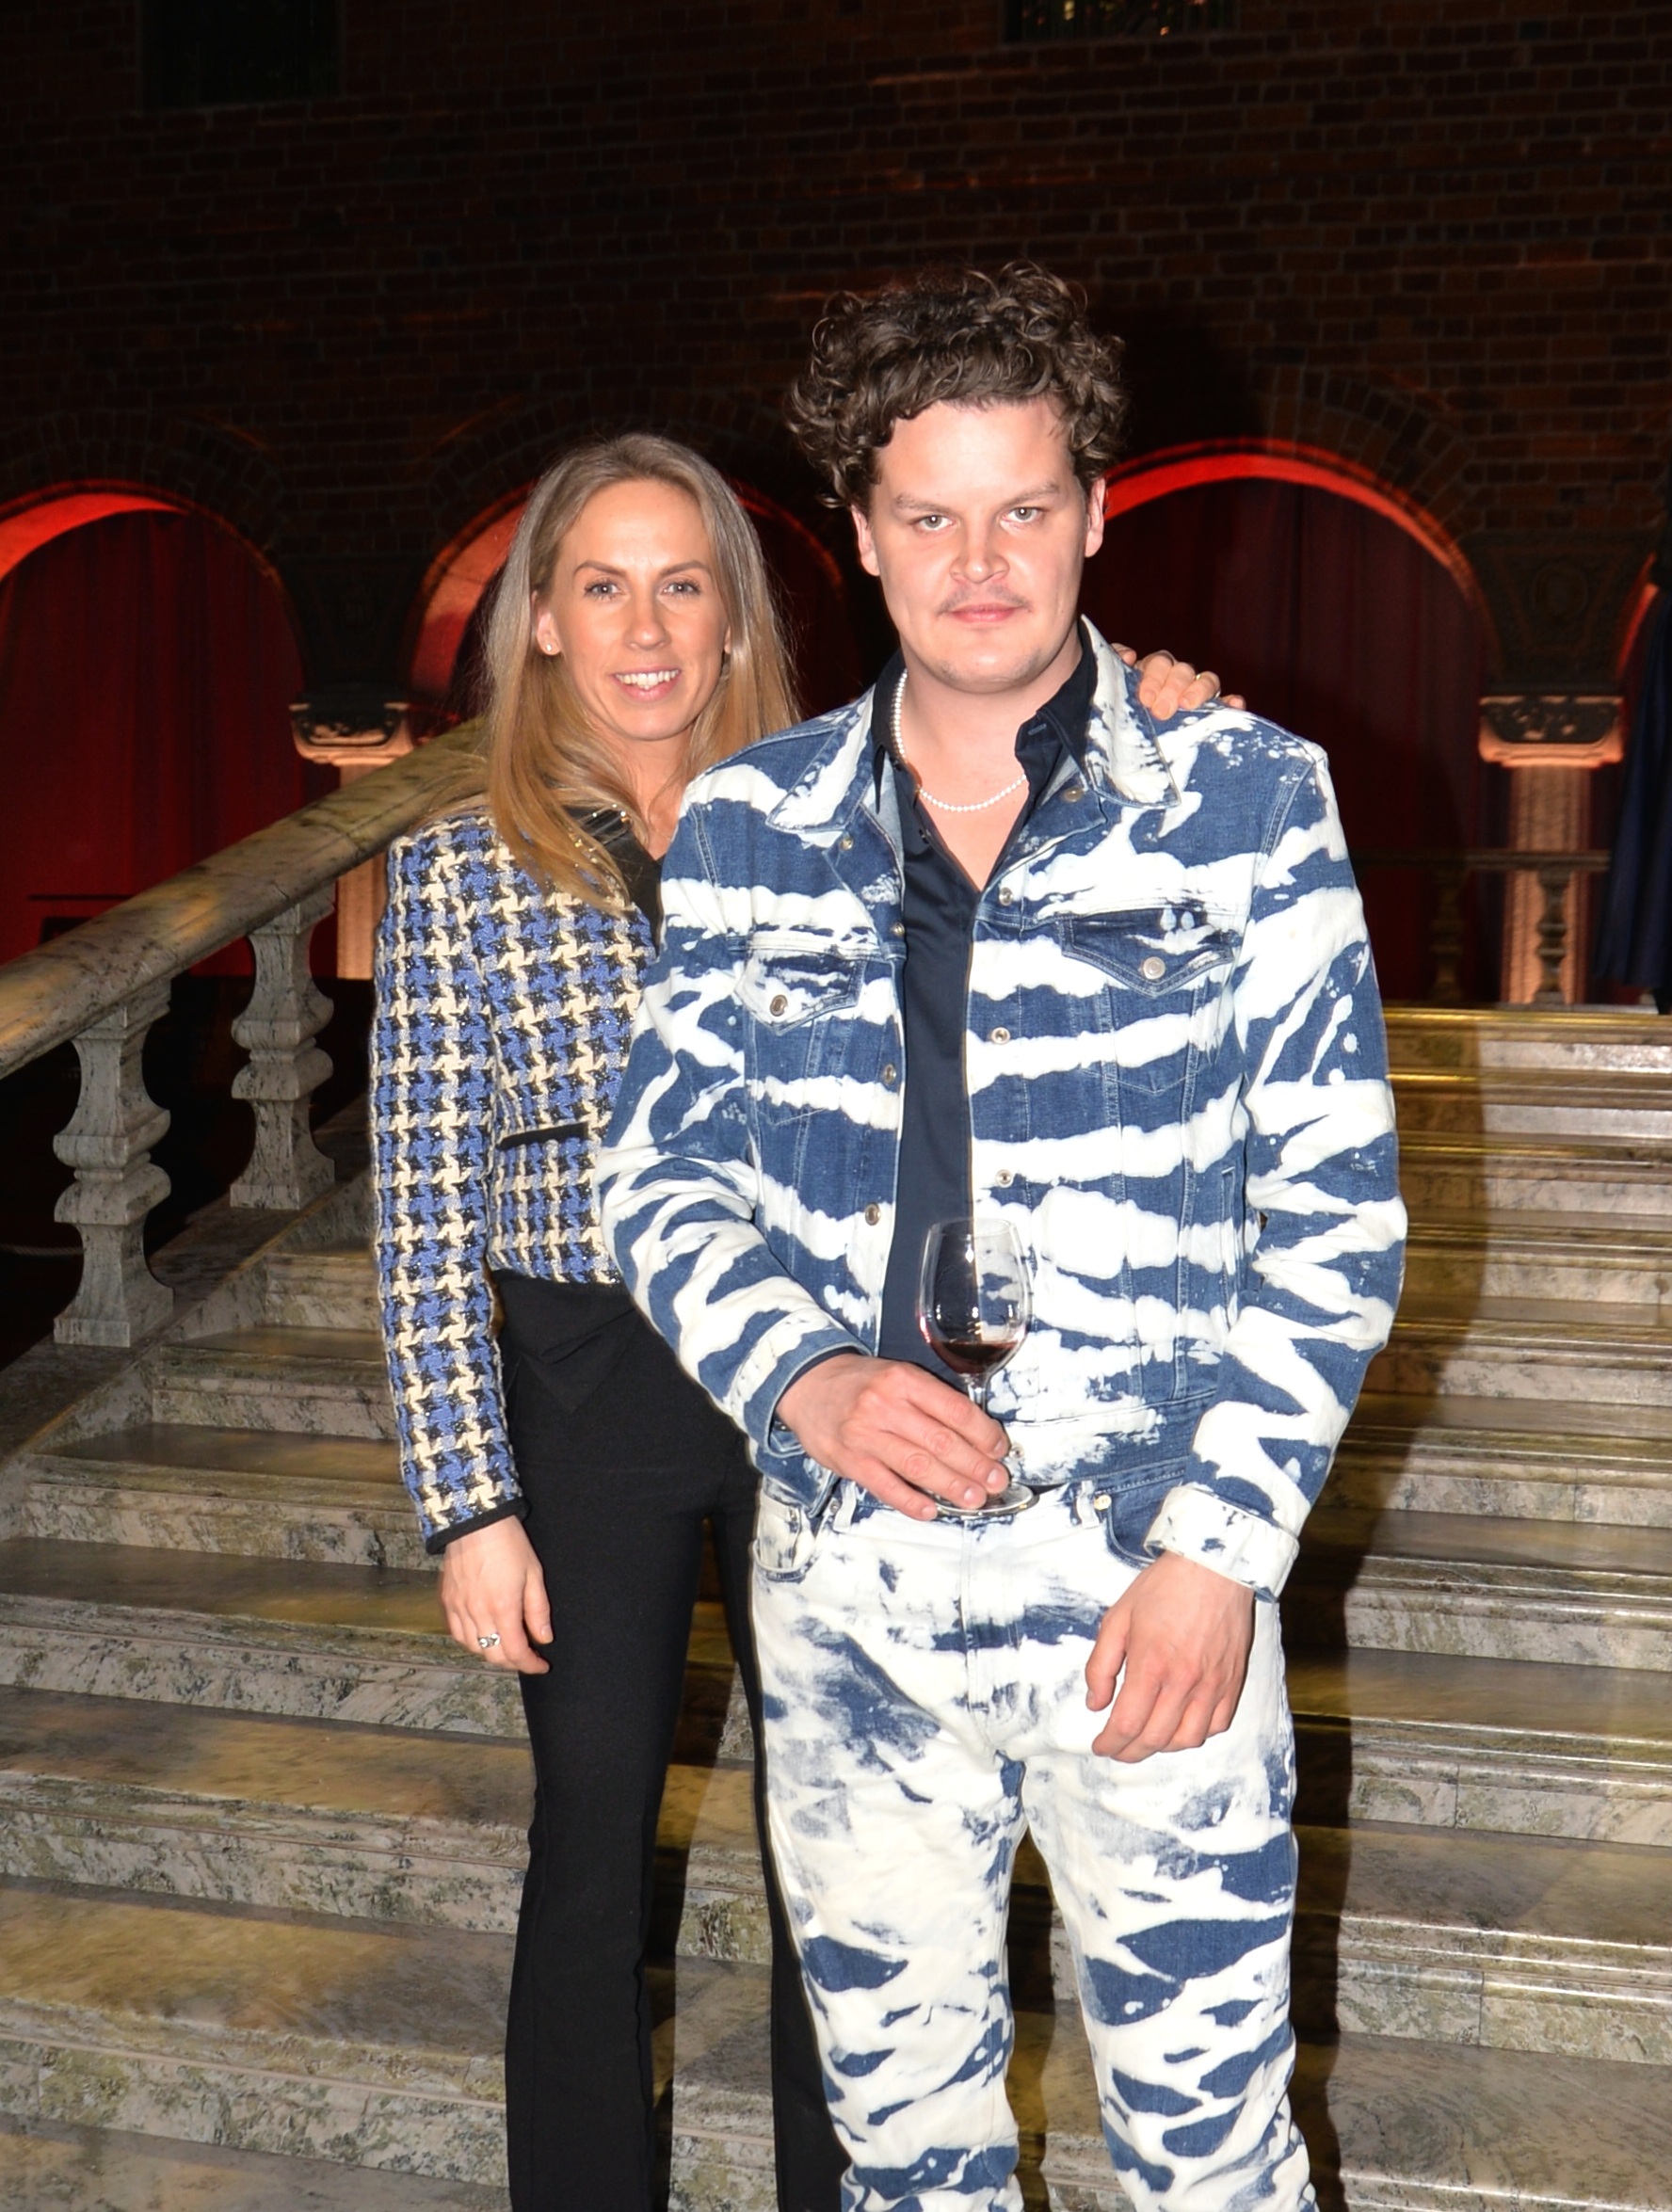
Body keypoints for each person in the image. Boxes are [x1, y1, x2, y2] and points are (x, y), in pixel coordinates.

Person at [598, 269, 1407, 2212]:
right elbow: (658, 1175)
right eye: (933, 516)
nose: (981, 563)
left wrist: (1222, 1551)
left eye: (1023, 507)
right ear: (864, 534)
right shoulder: (749, 823)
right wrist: (803, 1375)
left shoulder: (1245, 799)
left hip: (1149, 1586)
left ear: (1095, 512)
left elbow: (1339, 1209)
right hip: (851, 1593)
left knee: (1212, 2161)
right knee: (903, 2165)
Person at [370, 428, 1227, 2212]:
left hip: (819, 1371)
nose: (645, 628)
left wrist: (1146, 701)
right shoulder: (457, 868)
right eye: (602, 586)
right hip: (584, 1384)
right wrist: (468, 1502)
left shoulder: (829, 817)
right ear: (543, 620)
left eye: (682, 583)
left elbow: (1009, 767)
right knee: (590, 1836)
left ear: (736, 613)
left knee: (845, 1848)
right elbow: (421, 1211)